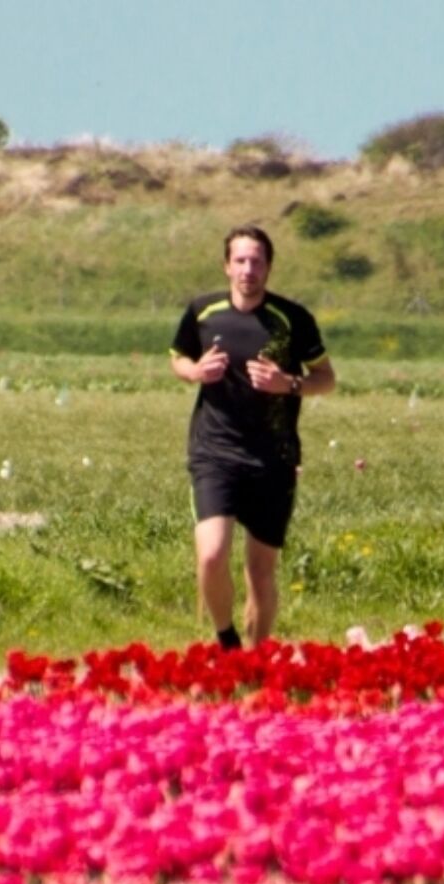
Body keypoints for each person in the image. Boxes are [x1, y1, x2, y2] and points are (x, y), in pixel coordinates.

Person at [170, 225, 335, 650]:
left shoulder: (292, 319)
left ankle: (257, 659)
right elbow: (179, 357)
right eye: (240, 260)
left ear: (268, 267)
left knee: (260, 573)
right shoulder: (203, 312)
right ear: (227, 266)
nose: (248, 269)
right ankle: (227, 642)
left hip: (273, 457)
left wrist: (289, 384)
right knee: (210, 554)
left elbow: (326, 378)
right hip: (215, 451)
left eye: (257, 261)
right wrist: (194, 372)